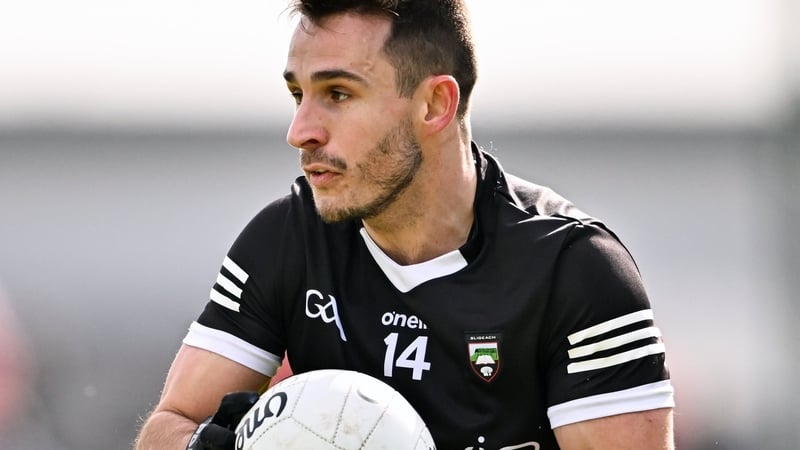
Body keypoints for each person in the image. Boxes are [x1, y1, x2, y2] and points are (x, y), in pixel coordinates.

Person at [135, 1, 675, 448]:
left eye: (338, 94)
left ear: (436, 104)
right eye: (298, 95)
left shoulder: (573, 270)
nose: (300, 131)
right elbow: (171, 422)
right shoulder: (286, 239)